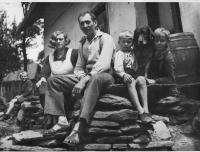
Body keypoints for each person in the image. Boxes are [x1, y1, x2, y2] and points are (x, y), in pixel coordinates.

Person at [44, 11, 115, 145]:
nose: (85, 25)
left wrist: (84, 80)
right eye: (82, 23)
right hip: (88, 76)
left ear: (95, 23)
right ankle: (62, 120)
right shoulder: (83, 43)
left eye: (88, 22)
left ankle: (78, 128)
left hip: (105, 75)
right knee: (53, 81)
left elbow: (104, 64)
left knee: (95, 79)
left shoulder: (106, 38)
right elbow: (78, 67)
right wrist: (82, 77)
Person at [36, 31, 78, 132]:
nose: (58, 41)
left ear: (65, 41)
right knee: (41, 87)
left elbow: (80, 70)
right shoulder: (49, 57)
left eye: (60, 39)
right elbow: (44, 72)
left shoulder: (74, 53)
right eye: (55, 40)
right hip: (55, 86)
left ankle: (55, 119)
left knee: (52, 80)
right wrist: (42, 78)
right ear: (53, 42)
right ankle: (52, 116)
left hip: (72, 85)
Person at [114, 30, 153, 123]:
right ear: (119, 43)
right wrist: (123, 75)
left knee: (142, 80)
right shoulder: (119, 53)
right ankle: (140, 110)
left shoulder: (133, 52)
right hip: (123, 75)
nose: (126, 44)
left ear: (132, 42)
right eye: (124, 42)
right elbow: (117, 68)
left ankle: (146, 109)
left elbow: (137, 65)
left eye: (129, 41)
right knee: (131, 81)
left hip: (134, 73)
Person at [146, 27, 179, 101]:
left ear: (167, 41)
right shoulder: (153, 55)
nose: (159, 43)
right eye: (156, 40)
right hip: (155, 90)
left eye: (162, 41)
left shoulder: (168, 57)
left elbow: (171, 79)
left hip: (168, 92)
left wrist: (154, 81)